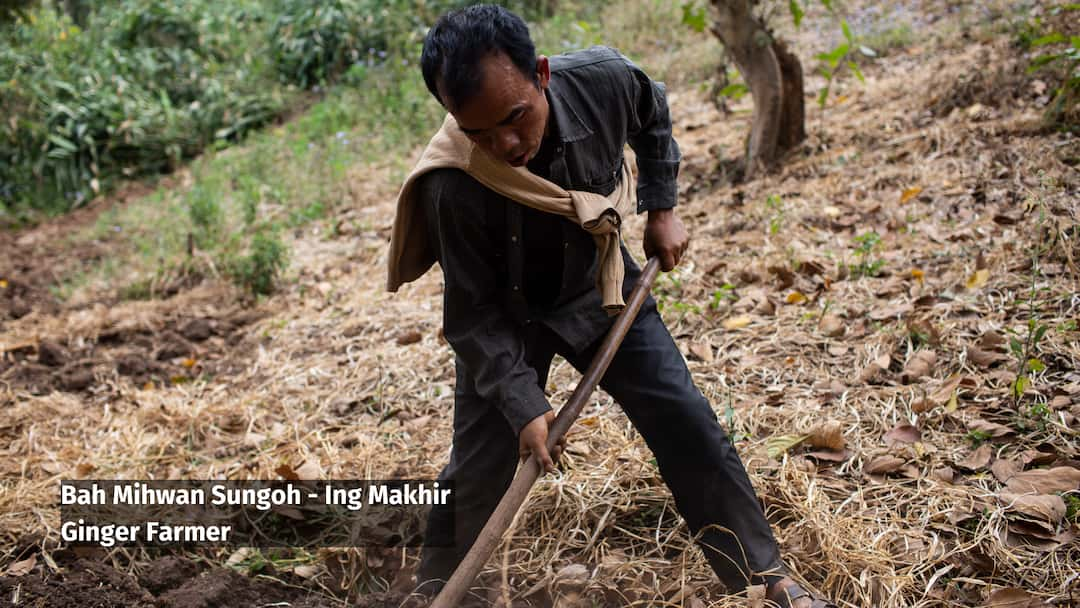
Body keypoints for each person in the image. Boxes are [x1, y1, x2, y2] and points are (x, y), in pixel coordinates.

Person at [386, 5, 836, 607]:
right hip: (506, 324)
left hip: (600, 290)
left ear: (541, 74)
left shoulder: (604, 80)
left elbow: (652, 114)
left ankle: (763, 577)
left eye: (515, 118)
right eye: (480, 133)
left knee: (686, 422)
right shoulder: (450, 183)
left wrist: (663, 208)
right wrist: (523, 407)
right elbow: (471, 317)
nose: (506, 144)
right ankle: (437, 592)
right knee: (477, 470)